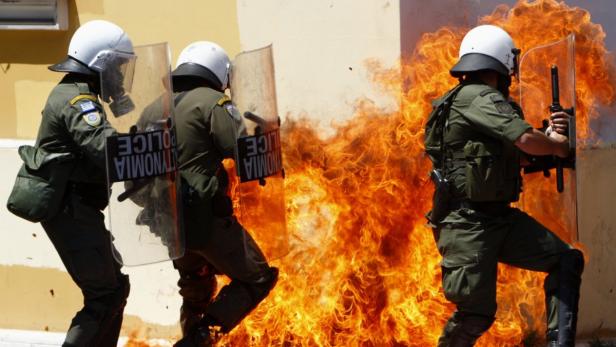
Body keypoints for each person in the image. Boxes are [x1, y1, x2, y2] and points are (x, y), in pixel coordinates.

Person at [424, 25, 584, 347]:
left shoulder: (472, 101)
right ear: (501, 61)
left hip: (497, 219)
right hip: (469, 225)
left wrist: (549, 136)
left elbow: (519, 155)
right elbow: (525, 139)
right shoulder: (477, 96)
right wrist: (559, 146)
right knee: (476, 315)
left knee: (566, 259)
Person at [170, 41, 279, 347]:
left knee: (196, 287)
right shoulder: (214, 104)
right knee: (257, 277)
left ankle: (192, 337)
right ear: (221, 75)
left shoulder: (157, 106)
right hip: (205, 220)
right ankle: (201, 340)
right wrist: (265, 137)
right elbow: (245, 155)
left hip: (168, 223)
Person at [33, 20, 133, 346]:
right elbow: (105, 148)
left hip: (76, 207)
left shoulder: (78, 94)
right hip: (71, 209)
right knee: (105, 293)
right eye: (117, 68)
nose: (119, 77)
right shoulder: (78, 101)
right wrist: (146, 155)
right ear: (100, 62)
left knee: (113, 288)